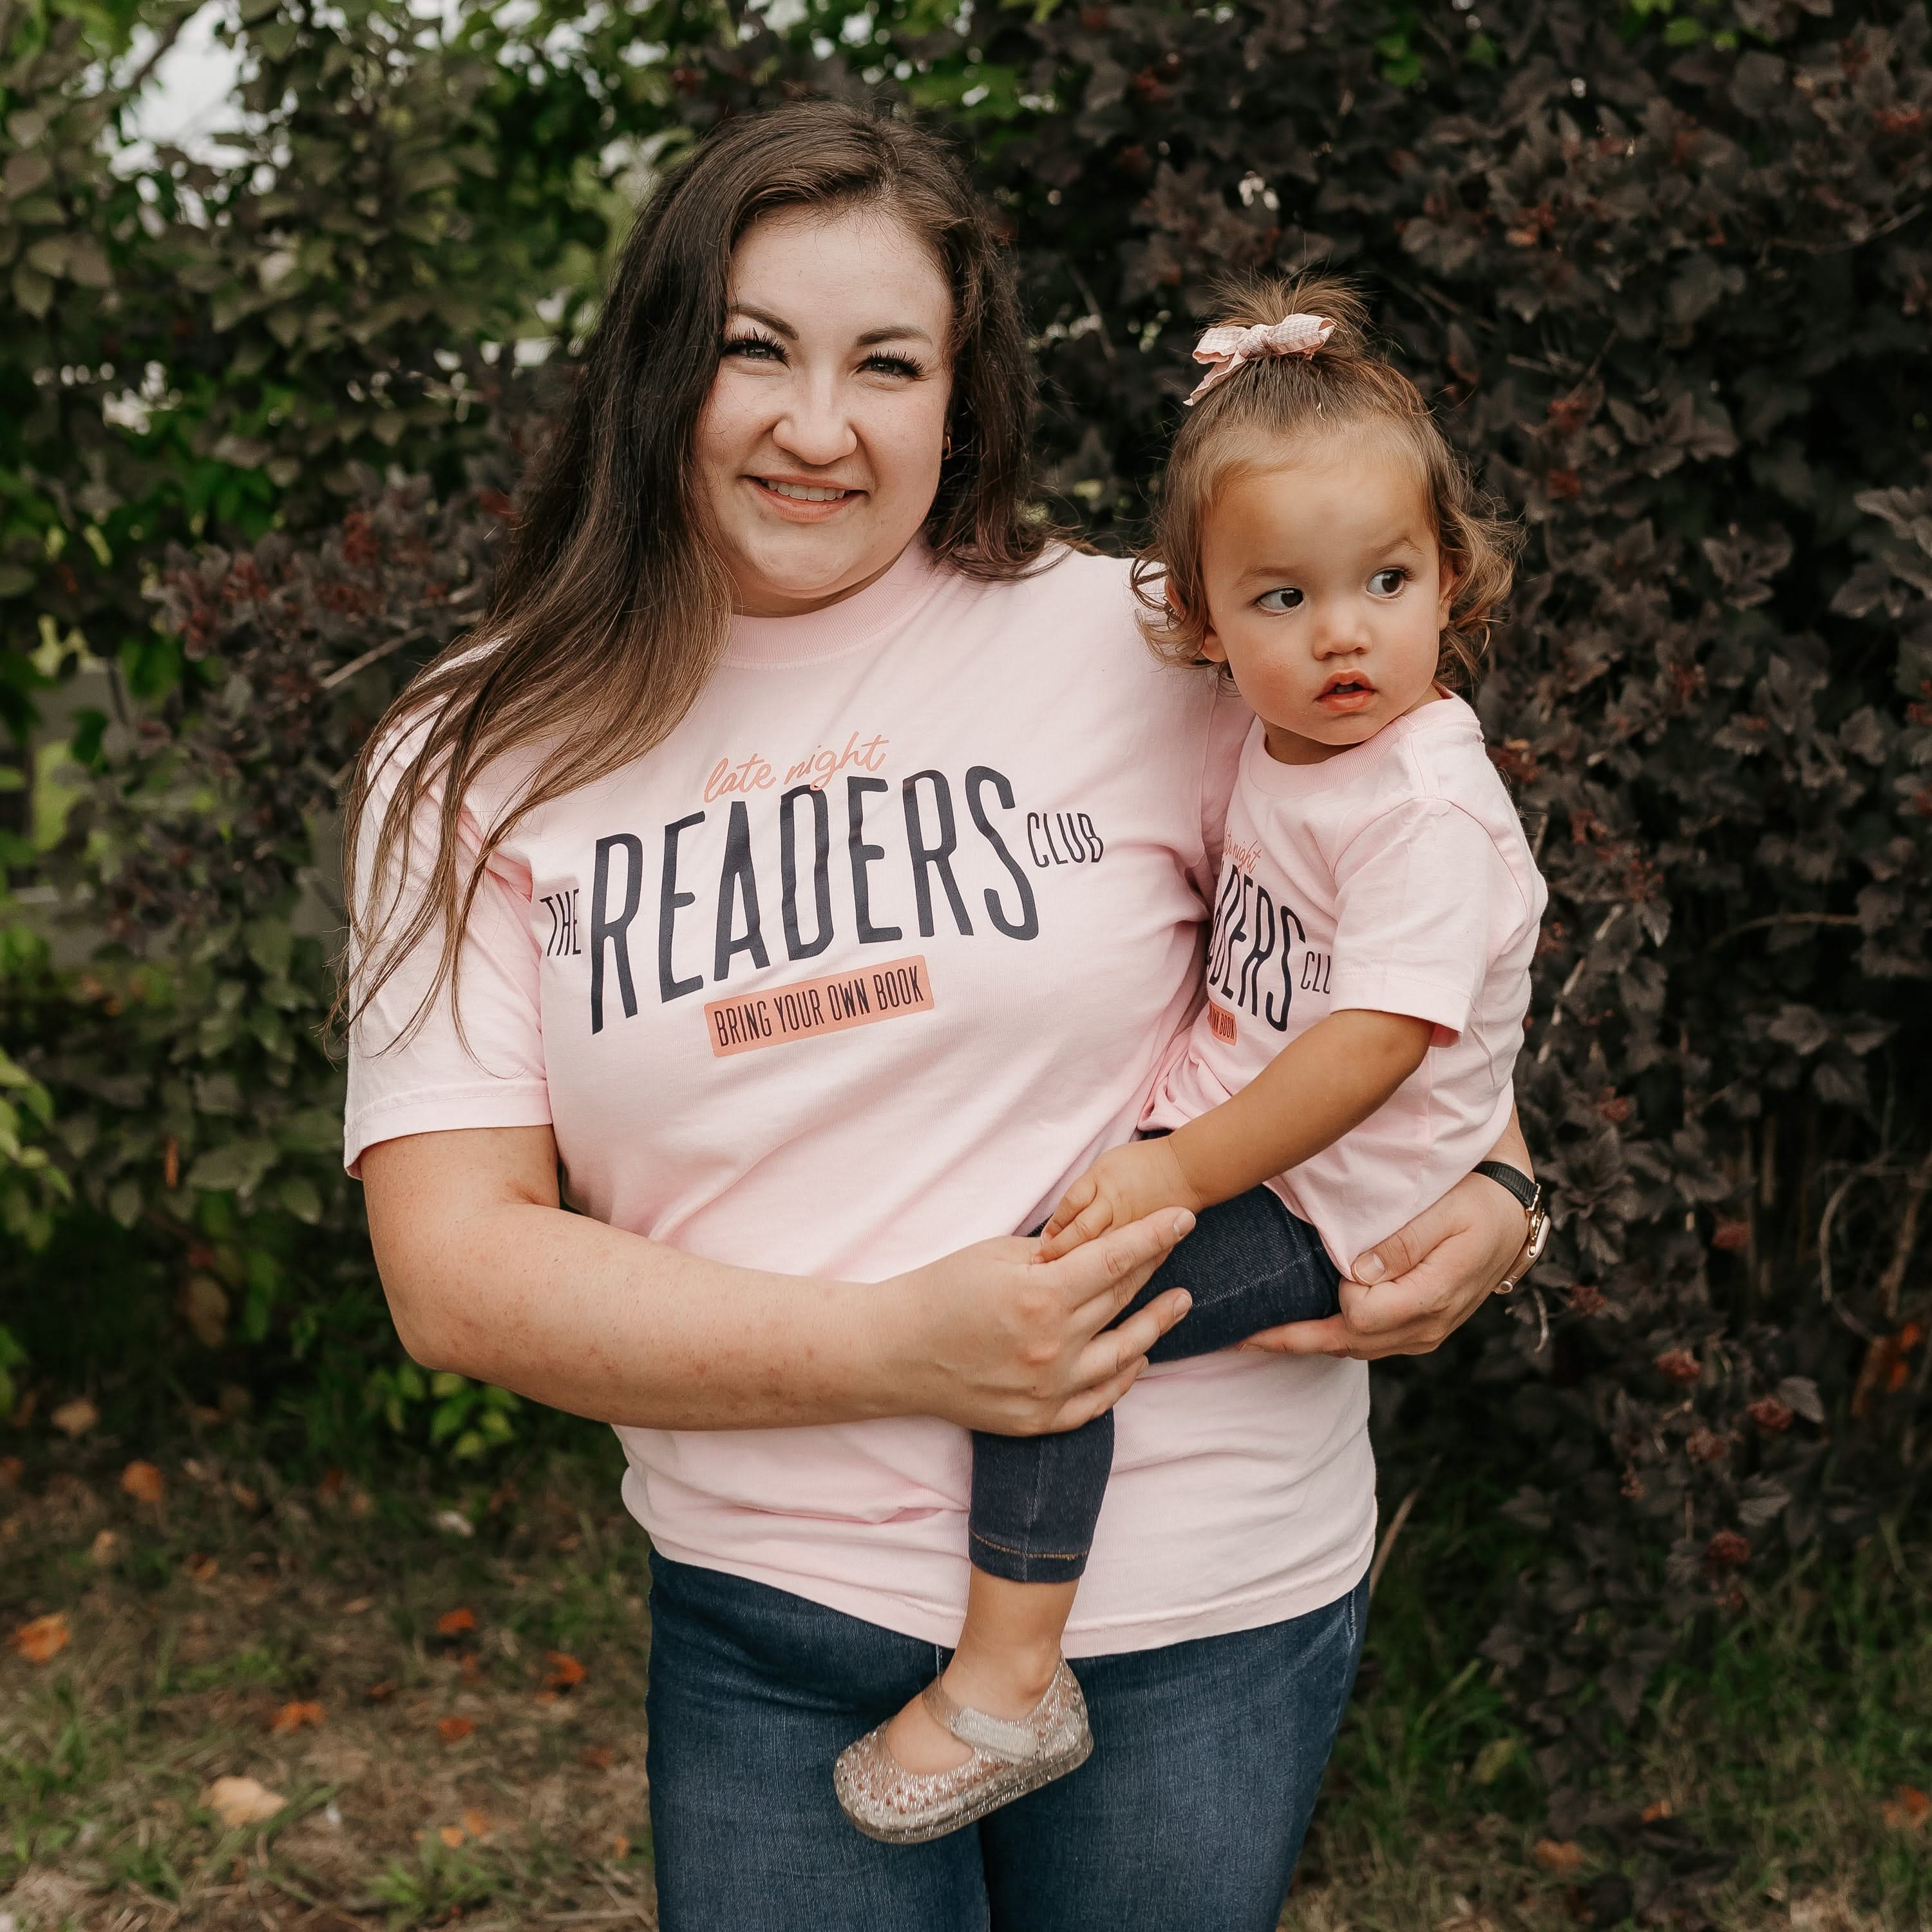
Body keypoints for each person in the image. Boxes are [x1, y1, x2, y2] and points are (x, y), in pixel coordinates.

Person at [341, 102, 1545, 1932]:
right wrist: (910, 1348)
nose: (817, 426)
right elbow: (453, 1275)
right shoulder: (475, 755)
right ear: (662, 359)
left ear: (961, 401)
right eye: (758, 349)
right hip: (774, 1614)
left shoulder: (1160, 638)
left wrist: (1511, 1188)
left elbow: (1399, 919)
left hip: (1206, 1603)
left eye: (886, 365)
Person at [834, 275, 1548, 1845]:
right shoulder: (1271, 734)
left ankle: (1012, 1674)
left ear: (1453, 581)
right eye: (1282, 598)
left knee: (1060, 1313)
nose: (1342, 632)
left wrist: (1176, 1167)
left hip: (1330, 1200)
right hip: (1254, 1143)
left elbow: (1371, 1047)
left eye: (1386, 580)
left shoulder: (1420, 807)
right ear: (1201, 618)